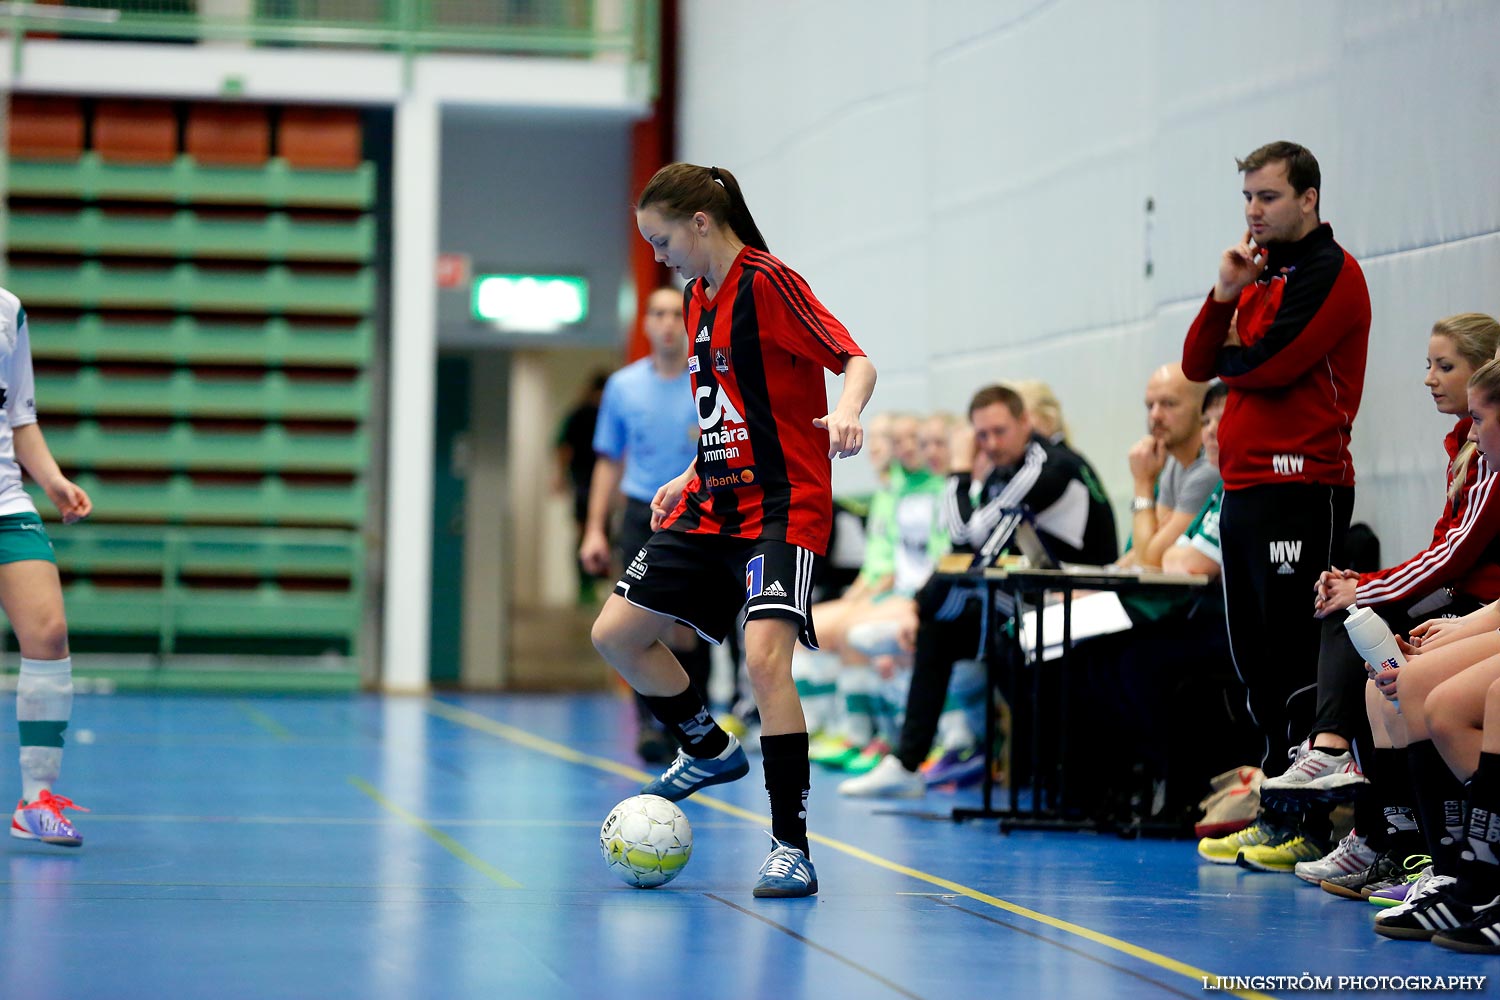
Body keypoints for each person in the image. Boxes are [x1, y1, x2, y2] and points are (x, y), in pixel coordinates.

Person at [590, 162, 876, 898]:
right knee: (616, 633)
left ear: (700, 224)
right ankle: (709, 746)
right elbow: (726, 409)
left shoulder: (769, 282)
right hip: (714, 501)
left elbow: (855, 360)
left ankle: (791, 847)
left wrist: (847, 411)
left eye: (661, 240)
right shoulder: (695, 300)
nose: (659, 256)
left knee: (764, 661)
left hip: (783, 505)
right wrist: (691, 472)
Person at [1239, 314, 1500, 880]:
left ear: (1487, 377)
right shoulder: (1465, 444)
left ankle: (1454, 863)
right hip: (1469, 608)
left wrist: (1366, 589)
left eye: (1444, 366)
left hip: (1476, 607)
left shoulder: (1486, 455)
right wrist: (1364, 588)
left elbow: (1453, 558)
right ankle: (1385, 838)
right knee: (1372, 666)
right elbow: (1442, 548)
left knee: (1382, 659)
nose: (1429, 378)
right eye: (1427, 365)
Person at [1180, 141, 1371, 858]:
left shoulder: (1332, 273)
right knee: (1255, 662)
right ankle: (1275, 806)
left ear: (1309, 199)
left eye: (1269, 197)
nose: (1255, 212)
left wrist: (1237, 352)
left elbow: (1268, 364)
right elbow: (1203, 366)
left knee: (1296, 655)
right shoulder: (1259, 275)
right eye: (1248, 200)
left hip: (1304, 483)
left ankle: (1309, 822)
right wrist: (1226, 295)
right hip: (1246, 488)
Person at [839, 383, 1118, 798]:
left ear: (1026, 422)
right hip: (1037, 597)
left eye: (998, 432)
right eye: (981, 436)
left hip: (1084, 601)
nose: (989, 444)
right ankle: (909, 762)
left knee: (959, 619)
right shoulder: (1010, 469)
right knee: (940, 625)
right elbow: (964, 547)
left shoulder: (1048, 467)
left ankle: (1017, 760)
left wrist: (958, 471)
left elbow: (969, 537)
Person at [578, 286, 706, 765]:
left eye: (677, 313)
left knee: (685, 630)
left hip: (695, 514)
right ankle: (652, 724)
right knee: (633, 624)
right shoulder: (623, 387)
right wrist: (594, 528)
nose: (669, 323)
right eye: (659, 314)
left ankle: (693, 722)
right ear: (646, 323)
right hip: (639, 513)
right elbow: (608, 460)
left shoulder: (705, 382)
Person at [0, 287, 93, 847]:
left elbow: (20, 416)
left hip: (6, 500)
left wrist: (53, 480)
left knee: (49, 632)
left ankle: (35, 801)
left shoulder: (8, 311)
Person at [1117, 364, 1214, 570]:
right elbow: (1143, 548)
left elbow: (1149, 562)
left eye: (1168, 404)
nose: (1155, 416)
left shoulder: (1209, 470)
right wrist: (1099, 581)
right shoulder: (1174, 464)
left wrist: (1142, 482)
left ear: (1202, 410)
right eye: (1149, 406)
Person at [555, 372, 610, 603]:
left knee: (600, 533)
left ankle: (595, 581)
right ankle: (586, 585)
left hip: (600, 482)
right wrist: (560, 476)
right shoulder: (580, 414)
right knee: (586, 533)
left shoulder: (606, 414)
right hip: (584, 481)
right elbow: (563, 446)